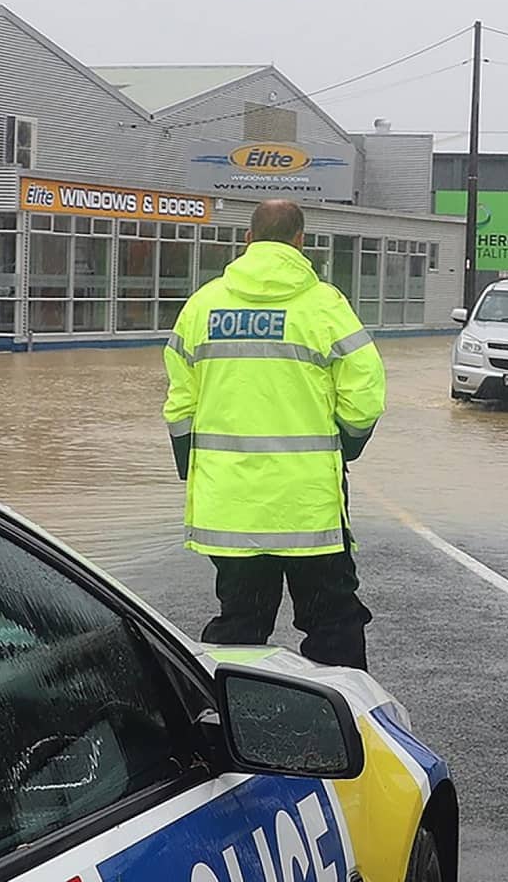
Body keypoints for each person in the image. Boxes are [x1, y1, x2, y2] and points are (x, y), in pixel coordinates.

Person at [163, 198, 386, 668]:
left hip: (232, 506)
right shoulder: (326, 306)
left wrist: (191, 462)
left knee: (239, 628)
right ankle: (344, 710)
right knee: (333, 626)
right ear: (300, 241)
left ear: (248, 239)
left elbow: (180, 405)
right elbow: (365, 394)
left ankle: (228, 708)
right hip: (308, 508)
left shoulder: (203, 306)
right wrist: (346, 444)